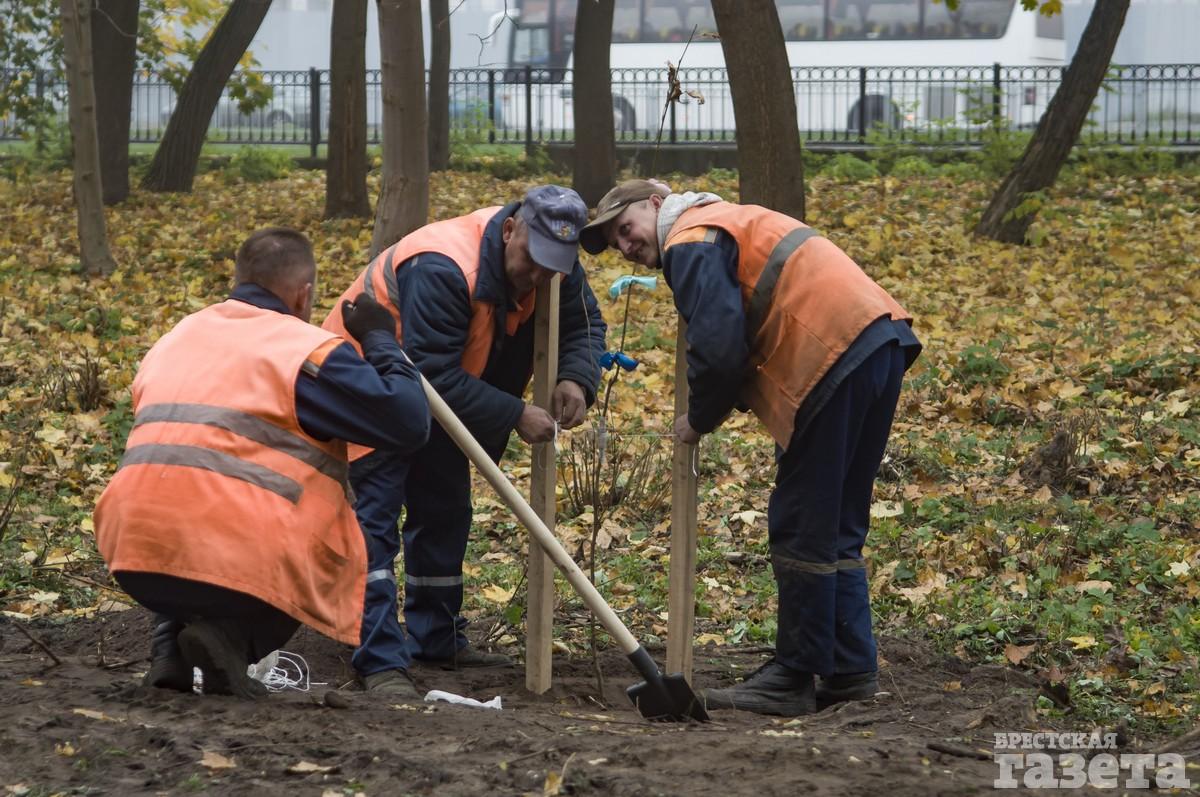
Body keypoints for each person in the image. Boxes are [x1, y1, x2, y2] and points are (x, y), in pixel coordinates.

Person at [579, 180, 921, 717]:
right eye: (614, 243)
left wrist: (699, 419)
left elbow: (718, 349)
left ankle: (793, 675)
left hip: (831, 352)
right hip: (879, 341)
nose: (625, 247)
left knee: (803, 520)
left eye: (625, 229)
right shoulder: (722, 222)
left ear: (655, 204)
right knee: (836, 523)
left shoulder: (689, 240)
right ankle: (850, 669)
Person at [94, 228, 430, 700]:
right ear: (304, 294)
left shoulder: (177, 336)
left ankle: (168, 651)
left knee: (183, 502)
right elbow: (410, 422)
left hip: (131, 550)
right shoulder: (302, 351)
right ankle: (231, 640)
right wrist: (379, 338)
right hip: (232, 557)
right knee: (328, 531)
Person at [322, 185, 607, 696]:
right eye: (532, 261)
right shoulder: (444, 266)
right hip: (371, 391)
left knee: (445, 509)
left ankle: (436, 638)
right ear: (509, 230)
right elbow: (430, 373)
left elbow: (583, 326)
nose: (538, 277)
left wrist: (576, 378)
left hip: (444, 399)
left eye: (552, 267)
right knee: (375, 526)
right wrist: (514, 413)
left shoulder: (555, 264)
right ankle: (378, 660)